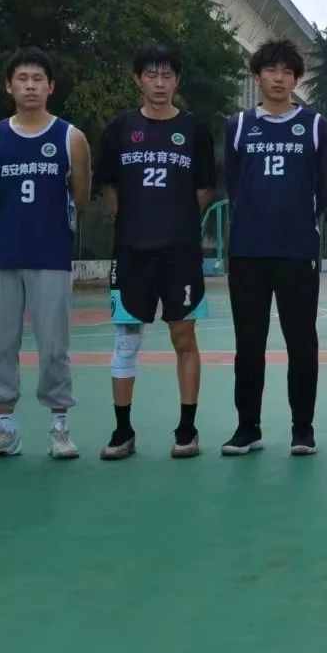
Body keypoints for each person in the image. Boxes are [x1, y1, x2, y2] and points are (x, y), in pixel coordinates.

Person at [0, 48, 92, 461]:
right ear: (9, 86)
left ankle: (59, 426)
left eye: (38, 79)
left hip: (50, 253)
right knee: (0, 342)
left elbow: (80, 198)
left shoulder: (71, 138)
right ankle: (4, 428)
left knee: (54, 344)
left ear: (51, 87)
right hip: (1, 253)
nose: (30, 86)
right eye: (22, 79)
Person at [95, 45, 217, 460]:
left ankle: (187, 429)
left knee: (184, 337)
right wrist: (135, 224)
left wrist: (173, 222)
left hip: (180, 254)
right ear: (138, 79)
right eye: (152, 75)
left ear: (177, 81)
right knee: (126, 338)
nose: (160, 83)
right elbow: (110, 188)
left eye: (167, 76)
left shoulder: (195, 130)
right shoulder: (119, 128)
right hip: (132, 253)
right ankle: (122, 430)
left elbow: (204, 189)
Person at [220, 39, 327, 458]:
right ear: (258, 77)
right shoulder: (239, 125)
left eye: (287, 72)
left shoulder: (314, 125)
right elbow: (233, 183)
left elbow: (326, 186)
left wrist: (296, 218)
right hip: (248, 251)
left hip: (297, 249)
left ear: (296, 79)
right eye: (271, 70)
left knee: (301, 341)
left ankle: (302, 430)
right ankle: (247, 428)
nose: (278, 78)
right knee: (249, 343)